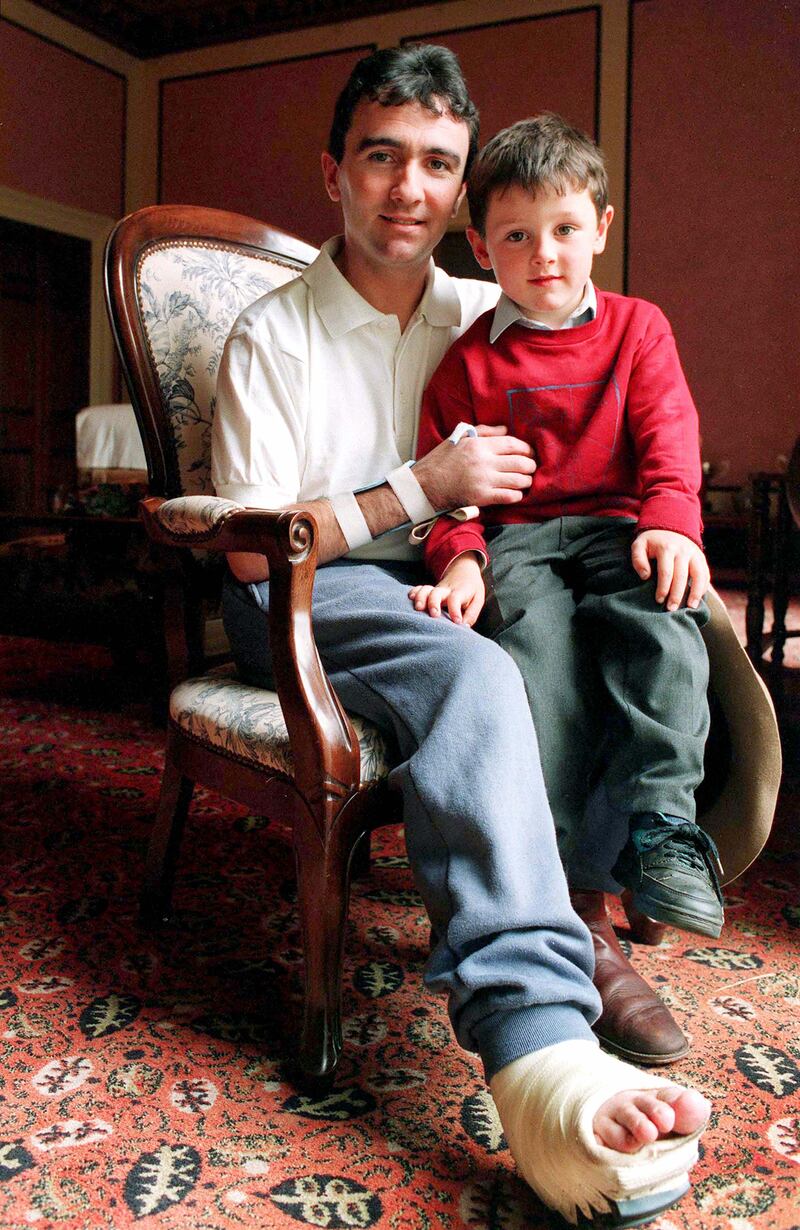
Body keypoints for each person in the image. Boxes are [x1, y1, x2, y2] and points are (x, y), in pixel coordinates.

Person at [211, 47, 710, 1226]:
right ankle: (537, 1044)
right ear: (334, 172)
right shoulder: (270, 336)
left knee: (622, 624)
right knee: (480, 672)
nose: (408, 189)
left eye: (437, 163)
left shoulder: (485, 310)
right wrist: (418, 491)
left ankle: (590, 911)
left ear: (464, 201)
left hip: (461, 567)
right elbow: (243, 546)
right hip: (305, 580)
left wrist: (654, 534)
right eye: (380, 156)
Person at [412, 114, 724, 1064]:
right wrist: (459, 555)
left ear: (600, 225)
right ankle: (551, 879)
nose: (541, 253)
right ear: (481, 247)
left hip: (621, 526)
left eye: (562, 228)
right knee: (534, 665)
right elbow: (445, 484)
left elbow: (672, 444)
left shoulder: (638, 328)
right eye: (514, 235)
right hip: (518, 543)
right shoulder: (468, 360)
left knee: (666, 624)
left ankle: (660, 825)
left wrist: (674, 522)